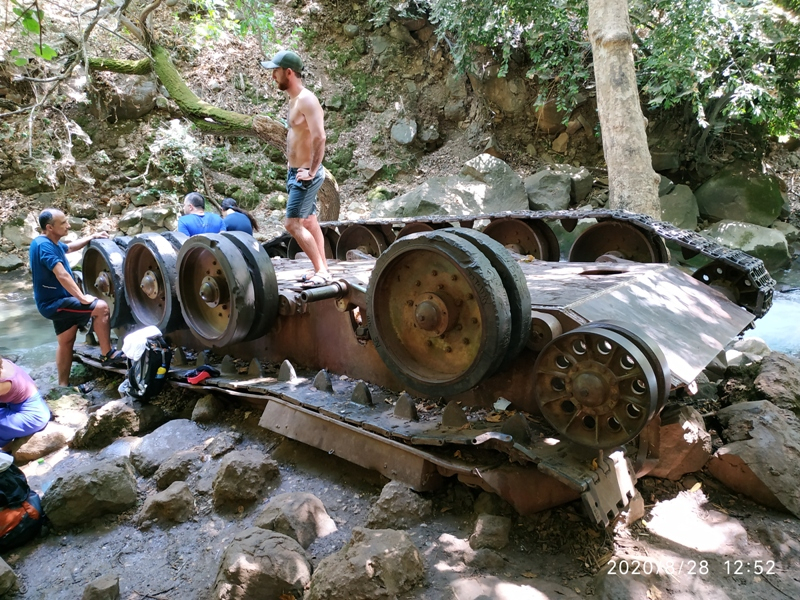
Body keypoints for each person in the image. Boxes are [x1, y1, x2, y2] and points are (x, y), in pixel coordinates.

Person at [29, 209, 123, 387]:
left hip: (55, 302)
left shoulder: (48, 242)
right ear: (49, 227)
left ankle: (62, 385)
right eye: (63, 223)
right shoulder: (45, 246)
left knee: (66, 341)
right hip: (55, 304)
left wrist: (92, 237)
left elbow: (70, 247)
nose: (69, 225)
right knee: (101, 307)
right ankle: (107, 354)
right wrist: (82, 297)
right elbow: (62, 275)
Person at [261, 50, 330, 284]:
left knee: (292, 224)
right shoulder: (293, 99)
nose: (273, 76)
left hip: (305, 175)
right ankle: (321, 267)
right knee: (309, 221)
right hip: (295, 172)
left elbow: (320, 137)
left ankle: (322, 272)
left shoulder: (307, 100)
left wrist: (311, 171)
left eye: (276, 71)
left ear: (288, 72)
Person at [0, 355, 50, 449]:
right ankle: (7, 447)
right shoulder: (3, 363)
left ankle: (7, 449)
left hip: (32, 416)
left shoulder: (3, 384)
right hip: (26, 405)